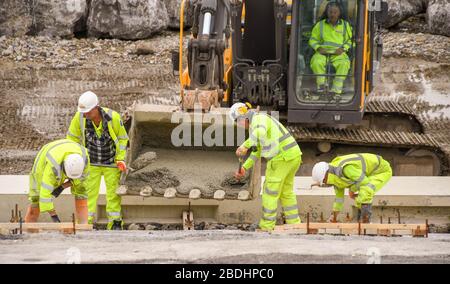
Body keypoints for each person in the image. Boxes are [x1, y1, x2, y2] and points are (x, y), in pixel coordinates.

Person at [230, 102, 302, 231]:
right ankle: (294, 224)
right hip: (293, 156)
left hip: (281, 158)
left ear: (243, 117)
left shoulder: (259, 120)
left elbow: (260, 132)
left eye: (237, 121)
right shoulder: (257, 123)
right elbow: (257, 152)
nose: (238, 125)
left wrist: (244, 145)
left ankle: (267, 226)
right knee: (286, 192)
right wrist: (244, 168)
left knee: (270, 192)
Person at [67, 91, 129, 230]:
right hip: (91, 163)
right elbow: (71, 139)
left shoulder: (113, 117)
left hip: (111, 163)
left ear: (96, 107)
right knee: (88, 194)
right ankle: (86, 223)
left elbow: (123, 139)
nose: (85, 114)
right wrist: (76, 159)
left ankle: (115, 223)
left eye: (88, 111)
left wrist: (120, 159)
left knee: (113, 194)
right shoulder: (80, 118)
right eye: (83, 112)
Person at [311, 153, 392, 223]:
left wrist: (352, 190)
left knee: (366, 190)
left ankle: (366, 223)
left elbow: (364, 181)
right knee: (359, 198)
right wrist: (333, 217)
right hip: (368, 174)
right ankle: (360, 222)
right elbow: (339, 200)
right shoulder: (336, 180)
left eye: (324, 181)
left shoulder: (344, 169)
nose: (325, 184)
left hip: (381, 170)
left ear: (326, 175)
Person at [25, 139, 89, 224]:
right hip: (47, 153)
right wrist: (54, 216)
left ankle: (83, 225)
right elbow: (45, 195)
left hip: (67, 149)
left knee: (82, 190)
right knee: (36, 195)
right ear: (64, 167)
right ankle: (30, 228)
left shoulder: (84, 158)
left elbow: (82, 179)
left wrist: (63, 186)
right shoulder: (52, 167)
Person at [309, 1, 353, 97]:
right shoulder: (320, 25)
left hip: (339, 53)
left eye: (335, 12)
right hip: (322, 52)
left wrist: (343, 49)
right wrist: (318, 48)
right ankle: (321, 87)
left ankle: (336, 91)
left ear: (339, 13)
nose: (332, 14)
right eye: (330, 12)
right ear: (327, 12)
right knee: (316, 62)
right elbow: (312, 40)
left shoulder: (345, 25)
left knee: (344, 64)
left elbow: (350, 41)